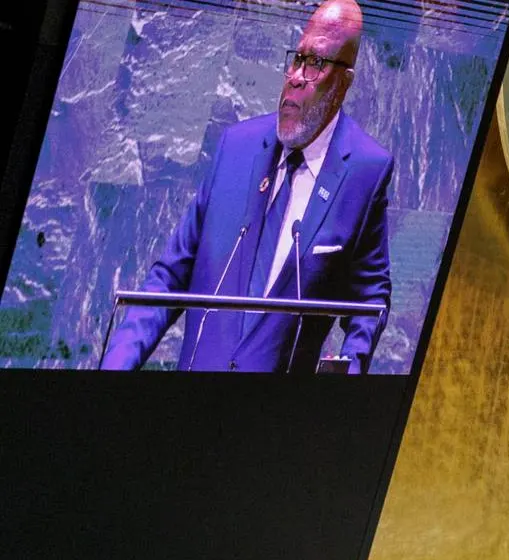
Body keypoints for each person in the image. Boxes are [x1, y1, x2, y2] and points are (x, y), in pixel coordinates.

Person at [102, 0, 393, 374]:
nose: (297, 76)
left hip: (276, 418)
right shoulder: (235, 148)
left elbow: (370, 299)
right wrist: (113, 369)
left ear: (343, 81)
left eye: (316, 63)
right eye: (296, 58)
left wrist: (345, 379)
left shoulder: (366, 170)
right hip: (187, 401)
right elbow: (170, 277)